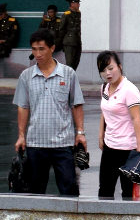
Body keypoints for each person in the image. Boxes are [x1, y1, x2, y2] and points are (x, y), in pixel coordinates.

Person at [11, 29, 85, 195]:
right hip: (35, 144)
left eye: (41, 49)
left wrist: (80, 133)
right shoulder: (26, 76)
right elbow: (23, 107)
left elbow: (76, 104)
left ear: (52, 48)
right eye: (34, 49)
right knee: (35, 193)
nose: (37, 54)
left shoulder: (68, 74)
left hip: (63, 144)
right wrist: (21, 135)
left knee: (69, 192)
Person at [95, 50, 140, 201]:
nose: (107, 73)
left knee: (128, 193)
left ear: (120, 66)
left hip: (128, 150)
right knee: (105, 190)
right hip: (110, 147)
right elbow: (105, 111)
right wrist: (100, 135)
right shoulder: (104, 88)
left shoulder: (129, 90)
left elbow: (136, 119)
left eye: (111, 68)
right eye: (103, 70)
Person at [59, 0, 82, 71]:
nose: (79, 5)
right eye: (77, 3)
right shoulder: (66, 15)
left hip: (77, 42)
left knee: (76, 62)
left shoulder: (78, 13)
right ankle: (67, 81)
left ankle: (72, 80)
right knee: (69, 64)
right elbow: (61, 29)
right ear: (72, 4)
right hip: (69, 42)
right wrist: (61, 43)